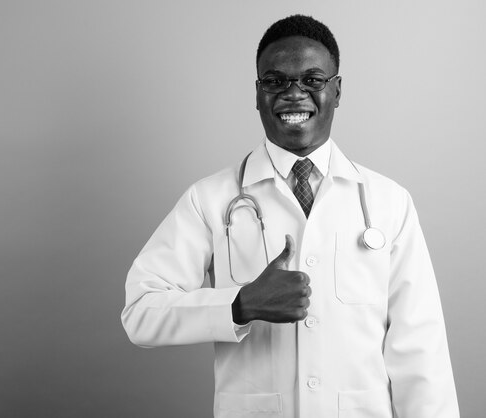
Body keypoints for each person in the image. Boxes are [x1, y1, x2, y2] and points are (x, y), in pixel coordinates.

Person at [121, 14, 459, 418]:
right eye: (275, 81)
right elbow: (140, 312)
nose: (294, 94)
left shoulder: (389, 201)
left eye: (313, 80)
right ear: (258, 92)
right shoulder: (209, 198)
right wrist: (240, 304)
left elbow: (420, 349)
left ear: (337, 91)